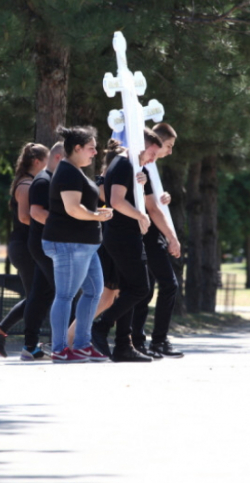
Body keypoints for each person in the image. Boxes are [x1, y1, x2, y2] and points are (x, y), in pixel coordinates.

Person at [91, 129, 163, 362]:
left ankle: (123, 344)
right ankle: (101, 327)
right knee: (140, 289)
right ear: (143, 144)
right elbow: (116, 201)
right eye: (153, 151)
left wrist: (140, 184)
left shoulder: (131, 165)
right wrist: (141, 216)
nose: (154, 158)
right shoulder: (123, 164)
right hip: (122, 234)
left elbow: (127, 196)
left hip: (124, 234)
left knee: (128, 290)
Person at [42, 126, 113, 363]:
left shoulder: (75, 171)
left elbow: (80, 206)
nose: (94, 153)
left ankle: (82, 345)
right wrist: (97, 217)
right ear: (77, 148)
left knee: (94, 292)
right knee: (65, 296)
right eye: (91, 148)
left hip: (83, 245)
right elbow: (72, 209)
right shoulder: (68, 173)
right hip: (69, 244)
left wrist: (96, 213)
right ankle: (60, 349)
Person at [0, 142, 49, 357]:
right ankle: (18, 339)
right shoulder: (26, 185)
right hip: (23, 245)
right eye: (47, 160)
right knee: (37, 296)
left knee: (36, 295)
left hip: (25, 245)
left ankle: (3, 331)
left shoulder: (29, 182)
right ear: (37, 162)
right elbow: (24, 217)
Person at [132, 123, 185, 358]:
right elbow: (151, 208)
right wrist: (173, 238)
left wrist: (163, 197)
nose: (170, 152)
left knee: (148, 289)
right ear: (155, 143)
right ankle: (156, 341)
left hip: (154, 234)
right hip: (150, 236)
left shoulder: (150, 168)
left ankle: (141, 341)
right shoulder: (142, 166)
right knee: (166, 285)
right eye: (168, 146)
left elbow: (153, 201)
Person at [18, 142, 65, 360]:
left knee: (40, 294)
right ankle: (63, 344)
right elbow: (35, 213)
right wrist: (69, 227)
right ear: (58, 158)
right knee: (64, 292)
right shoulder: (43, 181)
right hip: (44, 244)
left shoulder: (50, 179)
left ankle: (30, 345)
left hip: (44, 243)